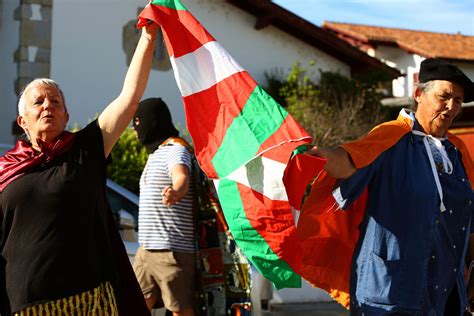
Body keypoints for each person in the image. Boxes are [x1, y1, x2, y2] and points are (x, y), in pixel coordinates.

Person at [0, 15, 159, 316]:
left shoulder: (85, 149)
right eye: (39, 102)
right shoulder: (4, 170)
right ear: (23, 121)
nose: (48, 105)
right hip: (25, 307)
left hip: (89, 301)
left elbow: (129, 99)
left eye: (55, 101)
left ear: (65, 114)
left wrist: (149, 37)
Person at [308, 58, 474, 314]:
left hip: (446, 291)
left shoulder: (457, 151)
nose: (451, 107)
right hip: (391, 290)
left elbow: (468, 215)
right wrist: (320, 156)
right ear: (419, 93)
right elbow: (349, 161)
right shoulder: (389, 137)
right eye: (444, 96)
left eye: (459, 101)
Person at [132, 98, 196, 316]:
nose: (134, 128)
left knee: (180, 310)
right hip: (145, 250)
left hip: (171, 250)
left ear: (153, 121)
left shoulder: (175, 149)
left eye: (138, 121)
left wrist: (177, 191)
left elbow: (181, 176)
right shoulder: (156, 153)